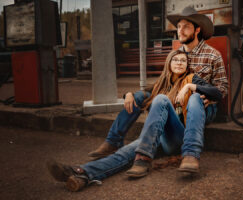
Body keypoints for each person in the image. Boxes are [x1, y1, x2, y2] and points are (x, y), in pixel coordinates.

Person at [47, 50, 223, 192]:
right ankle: (81, 173)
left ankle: (146, 158)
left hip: (180, 136)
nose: (179, 63)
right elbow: (142, 95)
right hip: (158, 138)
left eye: (183, 61)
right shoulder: (160, 85)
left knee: (161, 100)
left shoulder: (191, 79)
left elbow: (216, 93)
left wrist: (189, 87)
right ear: (169, 63)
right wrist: (128, 94)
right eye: (175, 60)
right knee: (122, 154)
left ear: (187, 65)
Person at [88, 6, 227, 169]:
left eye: (186, 27)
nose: (180, 31)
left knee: (195, 98)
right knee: (139, 97)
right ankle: (112, 141)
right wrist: (132, 94)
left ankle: (190, 153)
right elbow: (162, 83)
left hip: (202, 107)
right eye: (179, 26)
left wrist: (204, 95)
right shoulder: (175, 54)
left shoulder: (212, 54)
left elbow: (222, 87)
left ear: (197, 30)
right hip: (174, 104)